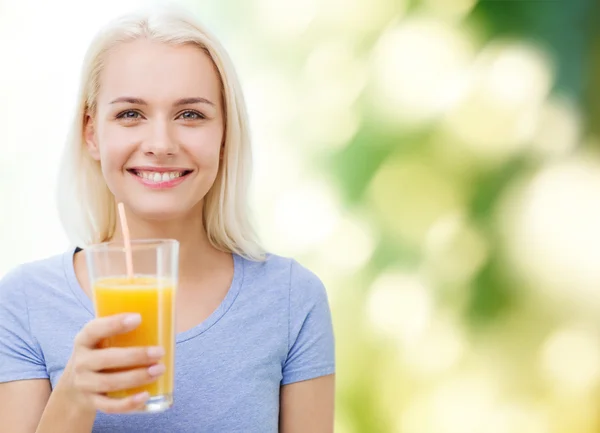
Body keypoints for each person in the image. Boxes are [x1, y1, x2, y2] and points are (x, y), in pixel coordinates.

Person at [0, 5, 335, 433]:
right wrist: (74, 396)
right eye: (130, 114)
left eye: (190, 114)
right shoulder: (25, 302)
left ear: (225, 134)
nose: (160, 143)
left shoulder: (292, 299)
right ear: (91, 134)